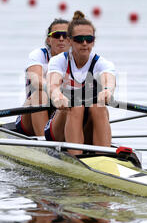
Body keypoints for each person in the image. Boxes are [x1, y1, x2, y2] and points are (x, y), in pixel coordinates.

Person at [46, 11, 116, 155]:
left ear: (93, 41)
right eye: (79, 39)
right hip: (59, 127)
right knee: (76, 105)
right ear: (70, 41)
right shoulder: (59, 61)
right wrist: (57, 96)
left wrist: (108, 91)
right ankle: (76, 159)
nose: (84, 43)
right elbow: (53, 85)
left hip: (88, 125)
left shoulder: (102, 63)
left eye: (88, 39)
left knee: (98, 106)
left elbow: (109, 79)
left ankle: (104, 158)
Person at [15, 18, 70, 136]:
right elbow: (36, 80)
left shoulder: (78, 60)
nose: (61, 39)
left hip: (60, 115)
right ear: (49, 40)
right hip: (31, 116)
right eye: (56, 35)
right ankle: (44, 144)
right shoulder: (39, 55)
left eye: (65, 35)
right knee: (40, 94)